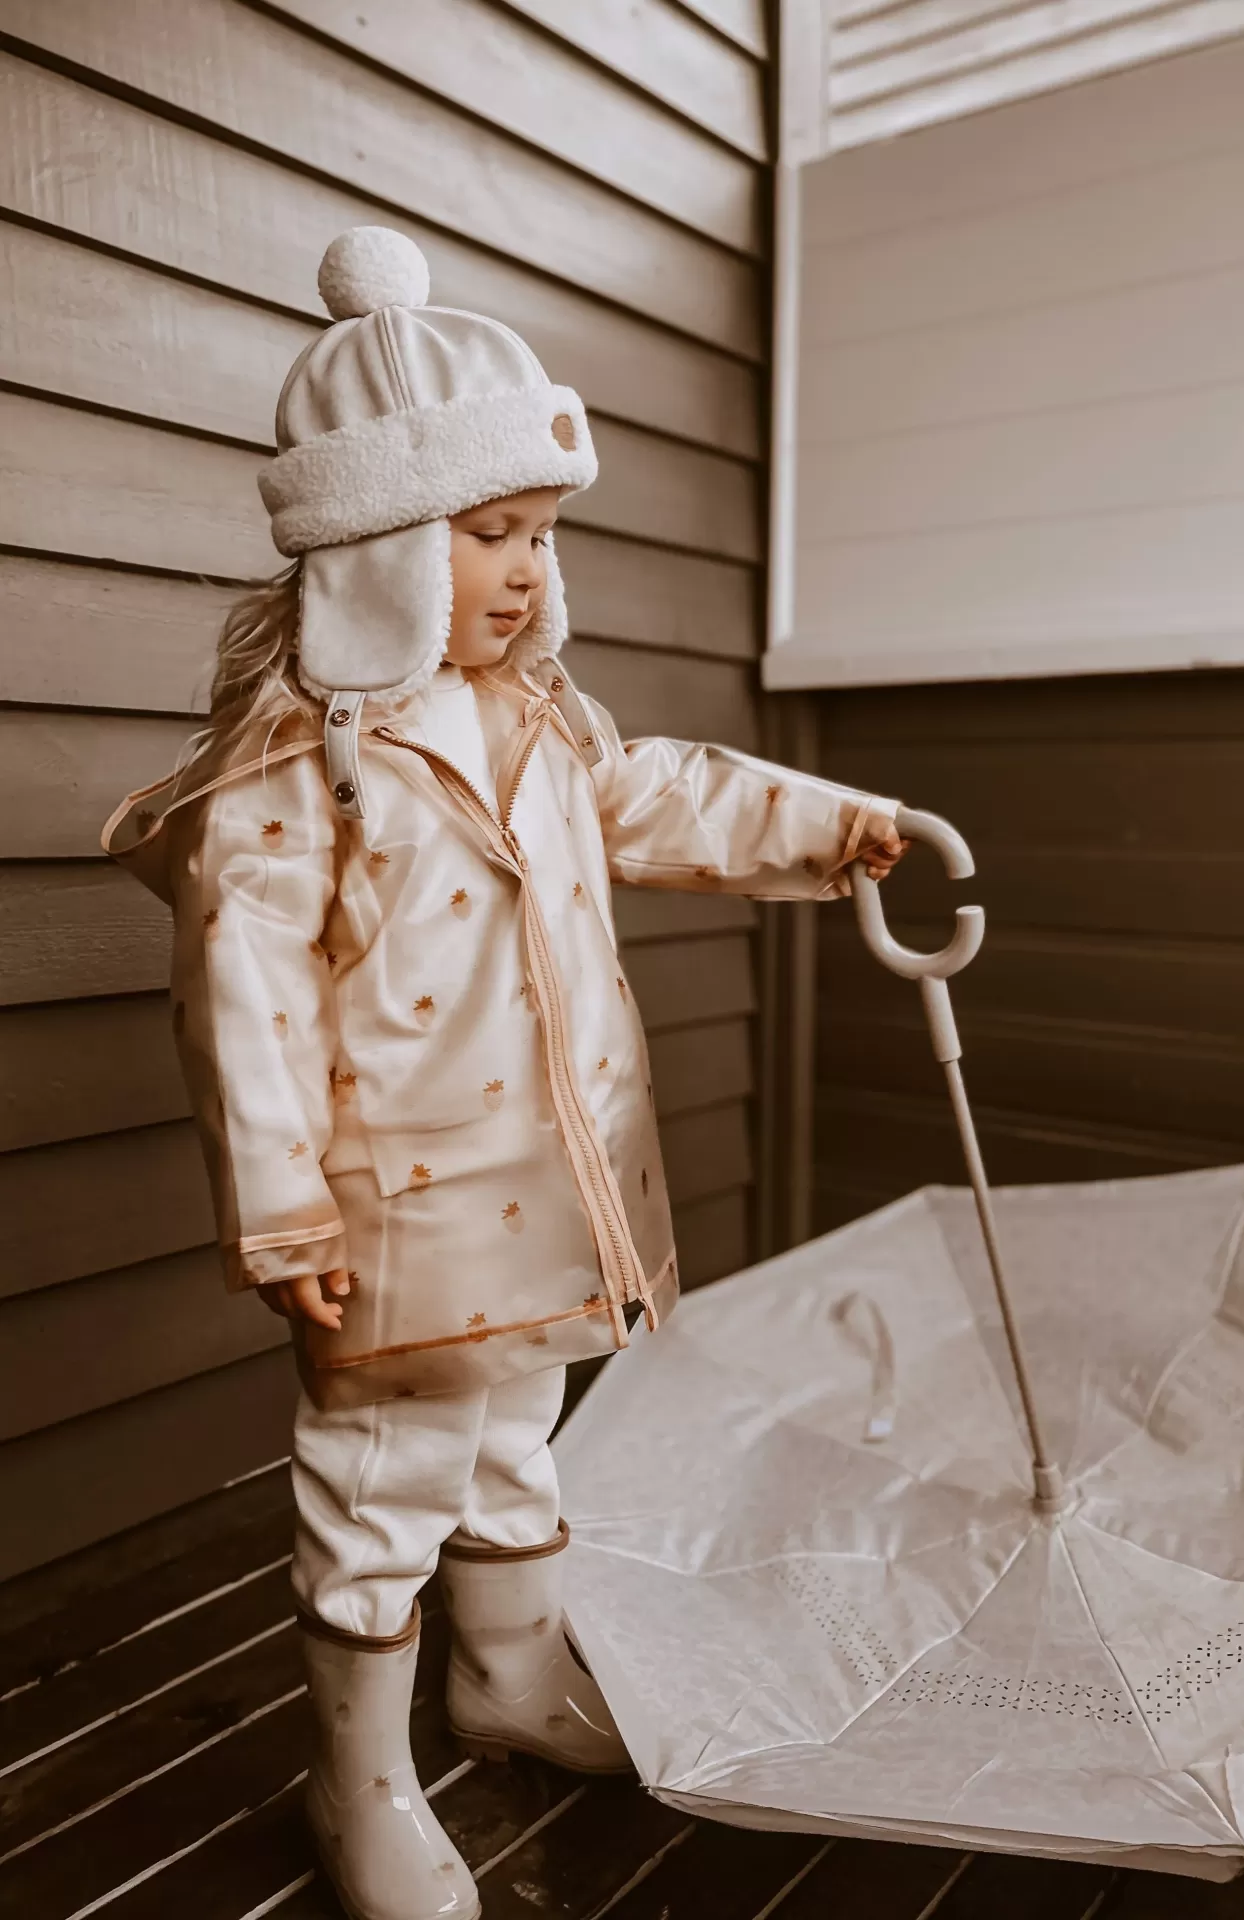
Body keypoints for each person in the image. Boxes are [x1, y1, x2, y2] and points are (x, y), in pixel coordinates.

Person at [102, 227, 907, 1920]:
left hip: (557, 1175)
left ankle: (511, 1681)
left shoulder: (542, 719)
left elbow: (666, 798)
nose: (529, 575)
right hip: (390, 1201)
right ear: (380, 546)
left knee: (519, 1439)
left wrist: (834, 827)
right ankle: (362, 1782)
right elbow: (238, 997)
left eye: (542, 535)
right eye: (489, 538)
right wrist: (281, 1208)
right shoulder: (300, 768)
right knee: (385, 1480)